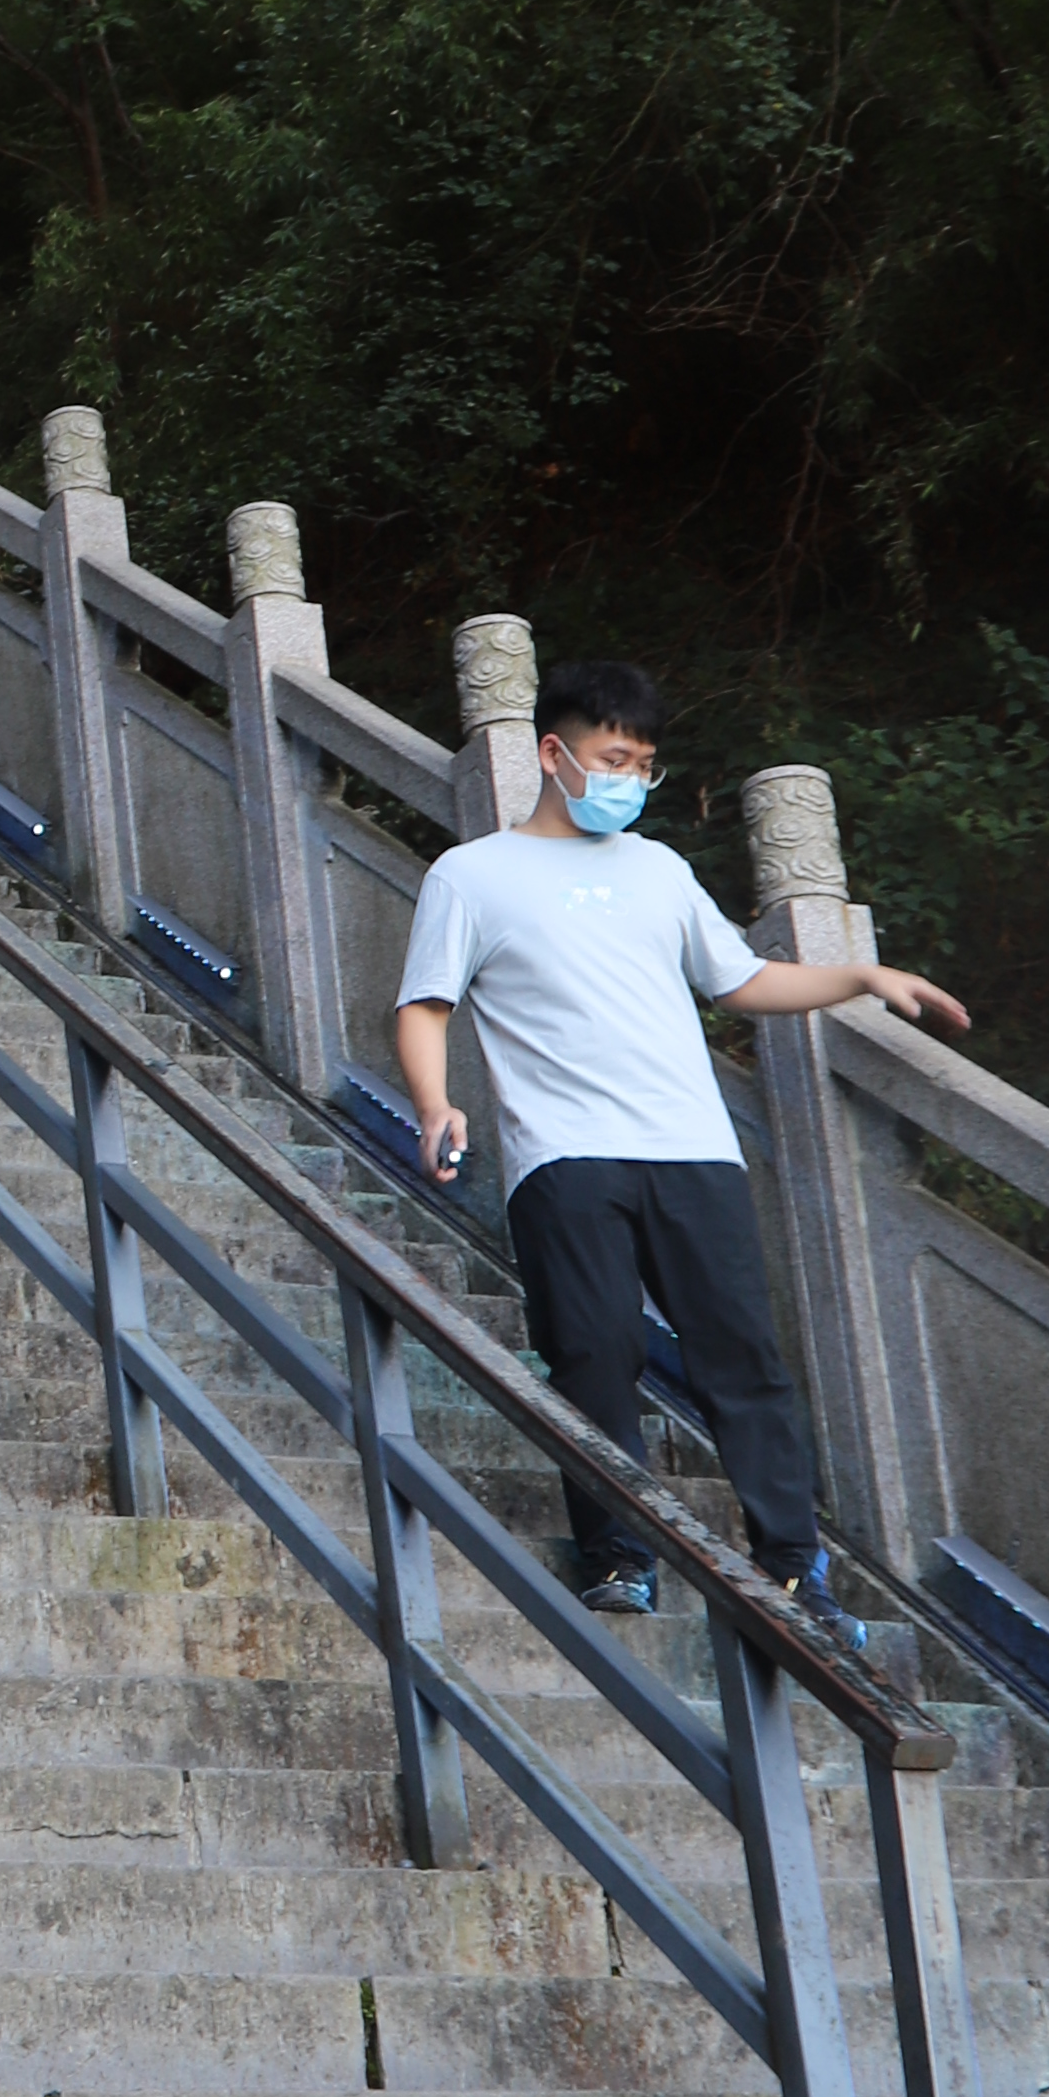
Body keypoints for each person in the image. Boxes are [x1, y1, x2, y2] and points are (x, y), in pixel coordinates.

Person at [391, 653, 971, 1622]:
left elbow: (740, 981)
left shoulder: (658, 871)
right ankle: (616, 1553)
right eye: (610, 758)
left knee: (741, 1356)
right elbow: (423, 1005)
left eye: (641, 765)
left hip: (691, 1150)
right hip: (563, 1156)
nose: (626, 781)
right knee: (592, 1351)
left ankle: (790, 1568)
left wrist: (861, 979)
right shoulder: (471, 875)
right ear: (551, 752)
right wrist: (432, 1104)